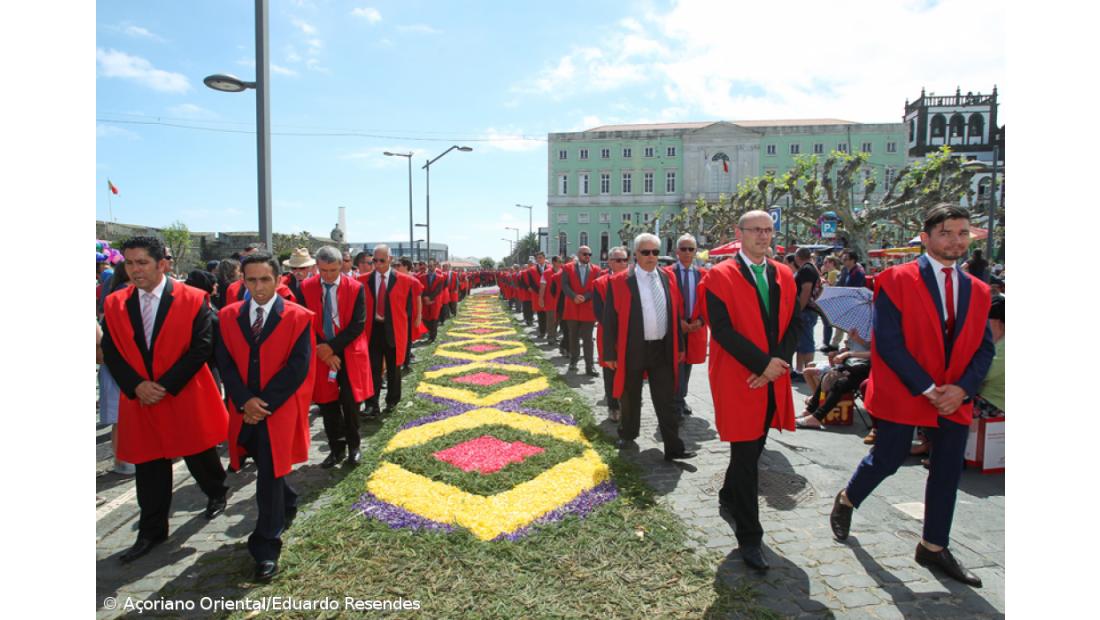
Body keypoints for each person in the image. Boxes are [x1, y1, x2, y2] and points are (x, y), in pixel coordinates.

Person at [829, 204, 995, 588]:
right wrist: (929, 389)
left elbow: (984, 348)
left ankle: (933, 546)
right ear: (926, 237)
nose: (956, 241)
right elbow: (889, 342)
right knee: (888, 458)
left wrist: (962, 389)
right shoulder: (895, 278)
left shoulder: (979, 289)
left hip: (955, 396)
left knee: (947, 471)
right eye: (946, 232)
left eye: (962, 233)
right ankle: (848, 498)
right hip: (908, 389)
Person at [100, 236, 229, 564]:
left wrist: (164, 386)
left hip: (181, 392)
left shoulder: (192, 298)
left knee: (198, 453)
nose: (135, 270)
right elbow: (111, 350)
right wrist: (137, 386)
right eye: (129, 263)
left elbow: (202, 347)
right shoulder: (115, 303)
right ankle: (152, 531)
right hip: (140, 398)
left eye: (142, 262)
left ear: (162, 264)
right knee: (149, 463)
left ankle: (216, 492)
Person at [699, 211, 800, 571]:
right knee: (745, 453)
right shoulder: (718, 275)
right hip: (739, 376)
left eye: (768, 229)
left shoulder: (783, 273)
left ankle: (729, 495)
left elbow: (794, 323)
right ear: (738, 233)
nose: (763, 235)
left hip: (771, 376)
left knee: (755, 446)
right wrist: (761, 365)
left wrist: (777, 364)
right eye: (755, 229)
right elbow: (722, 331)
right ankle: (750, 536)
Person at [215, 252, 314, 582]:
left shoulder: (299, 317)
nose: (258, 287)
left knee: (269, 475)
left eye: (265, 280)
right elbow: (225, 363)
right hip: (244, 410)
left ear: (279, 280)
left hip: (276, 411)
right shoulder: (228, 316)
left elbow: (297, 367)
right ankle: (289, 498)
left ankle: (266, 547)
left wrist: (263, 404)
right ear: (242, 281)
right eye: (251, 280)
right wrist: (245, 401)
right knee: (260, 461)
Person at [602, 233, 694, 462]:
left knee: (667, 399)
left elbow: (674, 314)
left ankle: (674, 447)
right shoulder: (620, 281)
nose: (651, 256)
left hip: (662, 348)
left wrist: (680, 345)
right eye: (646, 252)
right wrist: (609, 353)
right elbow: (609, 320)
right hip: (633, 347)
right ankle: (628, 434)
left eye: (655, 252)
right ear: (636, 254)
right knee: (630, 396)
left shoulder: (667, 277)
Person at [300, 246, 372, 468]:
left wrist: (331, 348)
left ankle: (354, 447)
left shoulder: (356, 288)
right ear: (317, 267)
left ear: (341, 265)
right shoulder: (306, 287)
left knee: (350, 403)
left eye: (333, 270)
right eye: (323, 270)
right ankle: (336, 449)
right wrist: (323, 350)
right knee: (327, 404)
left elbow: (358, 324)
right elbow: (303, 321)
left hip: (348, 349)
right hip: (321, 351)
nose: (328, 275)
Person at [359, 245, 416, 416]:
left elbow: (408, 310)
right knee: (373, 369)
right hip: (373, 330)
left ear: (390, 259)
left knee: (393, 368)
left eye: (382, 260)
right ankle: (372, 404)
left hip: (394, 330)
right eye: (374, 260)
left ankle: (392, 401)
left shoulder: (404, 281)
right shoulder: (362, 280)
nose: (377, 264)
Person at [666, 234, 707, 419]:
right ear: (677, 251)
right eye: (684, 249)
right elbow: (664, 301)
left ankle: (680, 399)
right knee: (676, 364)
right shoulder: (668, 273)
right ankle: (676, 402)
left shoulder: (703, 274)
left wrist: (701, 321)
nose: (687, 252)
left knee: (688, 363)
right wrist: (677, 321)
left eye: (691, 249)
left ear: (696, 251)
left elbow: (709, 301)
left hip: (695, 327)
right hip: (675, 326)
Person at [795, 331, 872, 429]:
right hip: (858, 366)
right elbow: (872, 347)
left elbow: (875, 353)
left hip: (871, 371)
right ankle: (810, 410)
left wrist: (848, 353)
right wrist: (855, 341)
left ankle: (817, 417)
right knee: (829, 375)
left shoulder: (884, 330)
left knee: (840, 384)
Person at [593, 247, 630, 420]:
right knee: (610, 371)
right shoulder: (600, 283)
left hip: (631, 333)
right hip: (609, 333)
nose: (622, 263)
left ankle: (628, 404)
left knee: (630, 369)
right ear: (609, 262)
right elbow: (599, 312)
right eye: (618, 260)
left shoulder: (634, 281)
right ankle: (613, 405)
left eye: (625, 260)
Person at [561, 245, 602, 375]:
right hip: (572, 307)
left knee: (588, 339)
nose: (587, 256)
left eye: (589, 254)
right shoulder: (567, 268)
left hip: (588, 308)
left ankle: (590, 366)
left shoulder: (596, 269)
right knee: (573, 336)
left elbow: (596, 287)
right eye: (585, 254)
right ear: (579, 254)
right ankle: (573, 360)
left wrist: (585, 297)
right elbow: (564, 285)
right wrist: (574, 296)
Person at [793, 248, 822, 379]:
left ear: (798, 257)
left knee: (807, 342)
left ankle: (808, 370)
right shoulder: (811, 267)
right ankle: (800, 370)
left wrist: (799, 309)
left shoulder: (806, 269)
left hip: (806, 311)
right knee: (801, 342)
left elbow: (806, 291)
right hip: (809, 310)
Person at [975, 296, 1004, 417]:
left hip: (995, 404)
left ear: (997, 321)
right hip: (986, 399)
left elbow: (984, 373)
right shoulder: (997, 341)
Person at [419, 260, 446, 342]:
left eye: (431, 266)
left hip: (435, 301)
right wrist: (425, 297)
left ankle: (432, 337)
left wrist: (430, 298)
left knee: (434, 319)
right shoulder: (422, 277)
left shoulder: (440, 277)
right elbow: (421, 288)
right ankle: (429, 333)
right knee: (426, 319)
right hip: (425, 301)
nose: (430, 267)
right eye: (429, 266)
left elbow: (438, 290)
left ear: (435, 266)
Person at [538, 255, 563, 348]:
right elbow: (542, 287)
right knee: (551, 319)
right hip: (550, 300)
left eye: (561, 261)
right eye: (559, 261)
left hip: (560, 301)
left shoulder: (563, 271)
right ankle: (551, 337)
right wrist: (541, 298)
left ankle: (554, 335)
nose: (561, 263)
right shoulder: (546, 273)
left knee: (558, 320)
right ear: (554, 262)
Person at [527, 252, 549, 338]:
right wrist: (540, 291)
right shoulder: (531, 270)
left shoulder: (550, 267)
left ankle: (550, 332)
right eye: (537, 258)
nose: (539, 259)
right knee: (541, 314)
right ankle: (542, 332)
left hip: (549, 295)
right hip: (537, 294)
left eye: (540, 257)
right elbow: (531, 283)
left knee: (549, 315)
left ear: (544, 258)